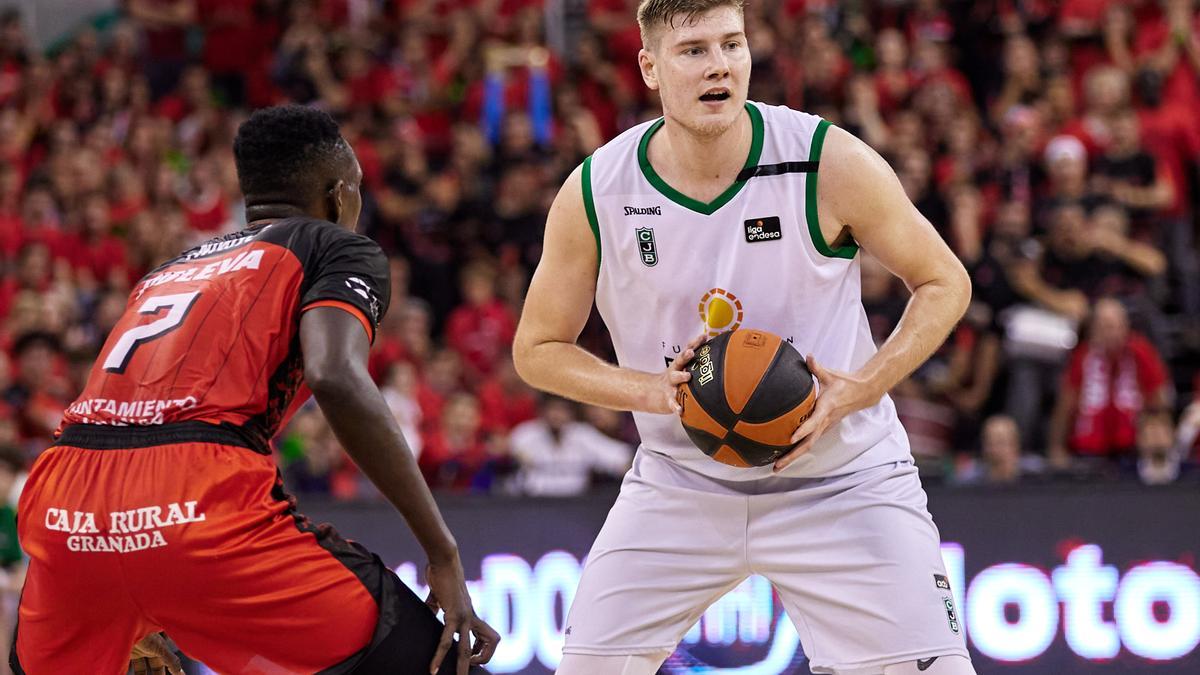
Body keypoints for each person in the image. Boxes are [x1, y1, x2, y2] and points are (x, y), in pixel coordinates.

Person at [512, 0, 975, 673]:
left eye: (732, 45)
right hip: (682, 479)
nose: (719, 66)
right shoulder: (597, 192)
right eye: (693, 49)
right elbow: (536, 348)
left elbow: (945, 281)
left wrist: (863, 387)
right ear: (650, 67)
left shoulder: (825, 159)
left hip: (841, 475)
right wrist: (649, 389)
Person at [13, 105, 498, 674]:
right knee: (435, 665)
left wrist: (140, 595)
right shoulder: (332, 244)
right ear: (341, 194)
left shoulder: (167, 271)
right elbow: (336, 376)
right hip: (196, 496)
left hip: (64, 503)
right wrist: (442, 553)